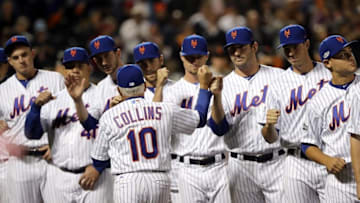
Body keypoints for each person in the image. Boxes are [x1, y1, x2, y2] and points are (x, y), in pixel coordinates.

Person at [82, 64, 214, 203]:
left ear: (119, 91)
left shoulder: (109, 116)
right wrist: (204, 87)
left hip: (127, 182)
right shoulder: (164, 109)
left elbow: (99, 159)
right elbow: (199, 119)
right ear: (144, 87)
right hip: (159, 180)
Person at [24, 47, 113, 203]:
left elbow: (113, 138)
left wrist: (99, 166)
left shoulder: (102, 96)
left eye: (80, 65)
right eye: (70, 66)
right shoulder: (53, 99)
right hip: (58, 176)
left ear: (89, 67)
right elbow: (32, 134)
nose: (75, 70)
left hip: (95, 176)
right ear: (64, 70)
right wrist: (35, 108)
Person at [208, 26, 285, 203]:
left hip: (277, 161)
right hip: (240, 164)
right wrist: (217, 98)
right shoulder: (223, 85)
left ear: (254, 47)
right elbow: (219, 129)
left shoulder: (279, 77)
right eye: (232, 49)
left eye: (241, 47)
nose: (236, 53)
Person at [260, 24, 332, 202]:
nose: (291, 52)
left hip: (330, 156)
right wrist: (268, 126)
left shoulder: (330, 75)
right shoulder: (277, 84)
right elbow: (270, 137)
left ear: (307, 44)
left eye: (295, 47)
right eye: (286, 48)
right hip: (295, 161)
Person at [162, 34, 231, 202]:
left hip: (219, 166)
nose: (194, 61)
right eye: (189, 57)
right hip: (187, 168)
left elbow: (221, 128)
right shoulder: (172, 91)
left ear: (207, 56)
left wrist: (217, 96)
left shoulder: (223, 84)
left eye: (198, 57)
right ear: (181, 57)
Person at [0, 35, 65, 203]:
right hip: (20, 162)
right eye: (16, 57)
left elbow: (69, 116)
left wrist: (58, 145)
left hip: (52, 158)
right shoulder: (2, 90)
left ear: (33, 54)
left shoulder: (55, 79)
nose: (21, 60)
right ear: (10, 62)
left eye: (24, 54)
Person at [301, 35, 359, 202]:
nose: (350, 57)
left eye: (350, 52)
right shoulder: (318, 100)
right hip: (341, 180)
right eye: (342, 55)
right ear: (327, 63)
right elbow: (307, 143)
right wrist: (326, 160)